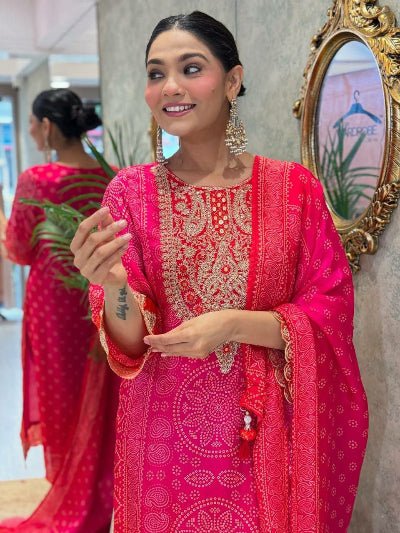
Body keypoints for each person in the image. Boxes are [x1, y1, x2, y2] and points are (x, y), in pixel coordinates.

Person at [71, 11, 369, 532]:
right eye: (156, 73)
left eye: (191, 68)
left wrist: (232, 324)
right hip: (163, 439)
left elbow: (330, 313)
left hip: (265, 433)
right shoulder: (131, 193)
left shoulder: (293, 189)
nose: (171, 86)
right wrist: (114, 286)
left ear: (232, 81)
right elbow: (133, 346)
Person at [4, 89, 110, 483]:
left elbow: (18, 249)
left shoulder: (36, 180)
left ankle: (67, 482)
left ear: (47, 126)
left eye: (33, 124)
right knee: (104, 387)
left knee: (61, 389)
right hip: (104, 297)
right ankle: (103, 481)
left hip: (52, 303)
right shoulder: (111, 175)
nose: (31, 131)